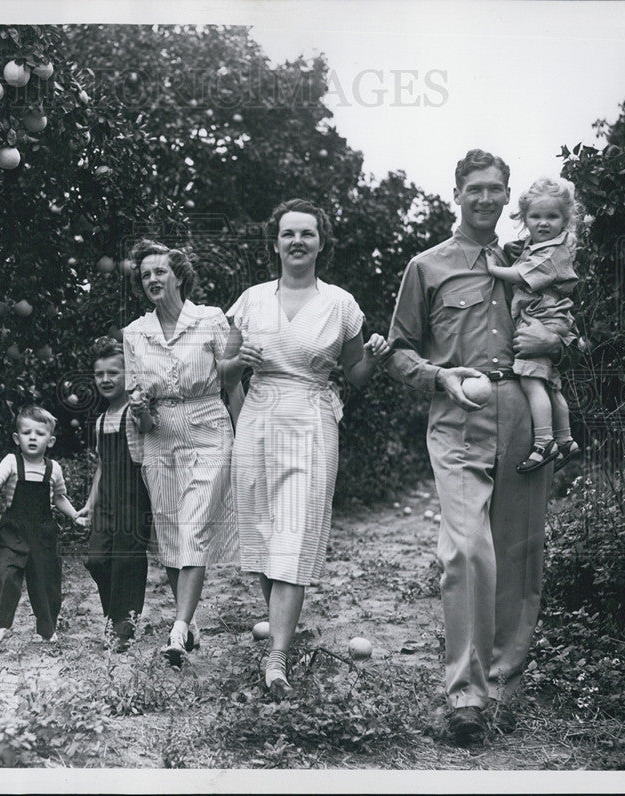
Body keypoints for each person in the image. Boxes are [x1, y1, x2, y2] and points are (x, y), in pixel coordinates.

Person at [385, 149, 574, 744]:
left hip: (522, 405)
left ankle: (505, 684)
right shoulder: (428, 266)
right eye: (476, 188)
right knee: (467, 548)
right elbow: (397, 349)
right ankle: (466, 694)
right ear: (458, 193)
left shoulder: (531, 258)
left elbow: (559, 313)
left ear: (507, 194)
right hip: (458, 412)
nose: (486, 198)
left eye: (496, 188)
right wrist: (439, 377)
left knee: (520, 550)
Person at [222, 199, 391, 699]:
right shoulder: (250, 299)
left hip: (312, 419)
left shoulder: (340, 304)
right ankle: (281, 629)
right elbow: (223, 371)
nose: (298, 242)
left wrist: (377, 358)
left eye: (308, 234)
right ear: (275, 243)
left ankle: (277, 656)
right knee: (261, 531)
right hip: (257, 419)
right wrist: (239, 361)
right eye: (289, 234)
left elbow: (356, 374)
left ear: (321, 243)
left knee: (294, 536)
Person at [122, 240, 241, 667]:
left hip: (208, 428)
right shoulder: (135, 334)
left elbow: (231, 381)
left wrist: (244, 436)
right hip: (160, 438)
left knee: (193, 530)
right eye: (145, 275)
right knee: (172, 535)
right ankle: (187, 625)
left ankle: (176, 627)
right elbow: (142, 415)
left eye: (160, 272)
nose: (152, 280)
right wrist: (139, 410)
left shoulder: (210, 319)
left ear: (179, 276)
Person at [486, 177, 582, 473]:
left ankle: (544, 443)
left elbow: (521, 275)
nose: (543, 223)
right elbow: (526, 255)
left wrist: (492, 268)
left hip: (542, 321)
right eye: (535, 216)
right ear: (525, 219)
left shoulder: (553, 254)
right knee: (551, 385)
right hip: (552, 320)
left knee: (531, 381)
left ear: (565, 219)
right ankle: (566, 440)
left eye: (552, 216)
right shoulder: (547, 246)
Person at [0, 406, 87, 643]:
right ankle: (2, 625)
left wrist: (75, 514)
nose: (33, 438)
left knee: (46, 581)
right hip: (13, 530)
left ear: (51, 440)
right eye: (27, 433)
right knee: (3, 572)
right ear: (17, 438)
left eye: (40, 433)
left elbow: (59, 497)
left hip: (43, 533)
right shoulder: (11, 462)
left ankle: (46, 631)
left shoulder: (53, 468)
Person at [77, 337, 153, 651]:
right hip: (108, 500)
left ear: (128, 374)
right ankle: (116, 616)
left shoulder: (133, 413)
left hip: (134, 499)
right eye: (99, 374)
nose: (106, 380)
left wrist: (143, 410)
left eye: (113, 373)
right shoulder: (100, 420)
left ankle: (123, 628)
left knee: (127, 562)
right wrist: (90, 505)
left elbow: (149, 429)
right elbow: (101, 466)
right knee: (97, 560)